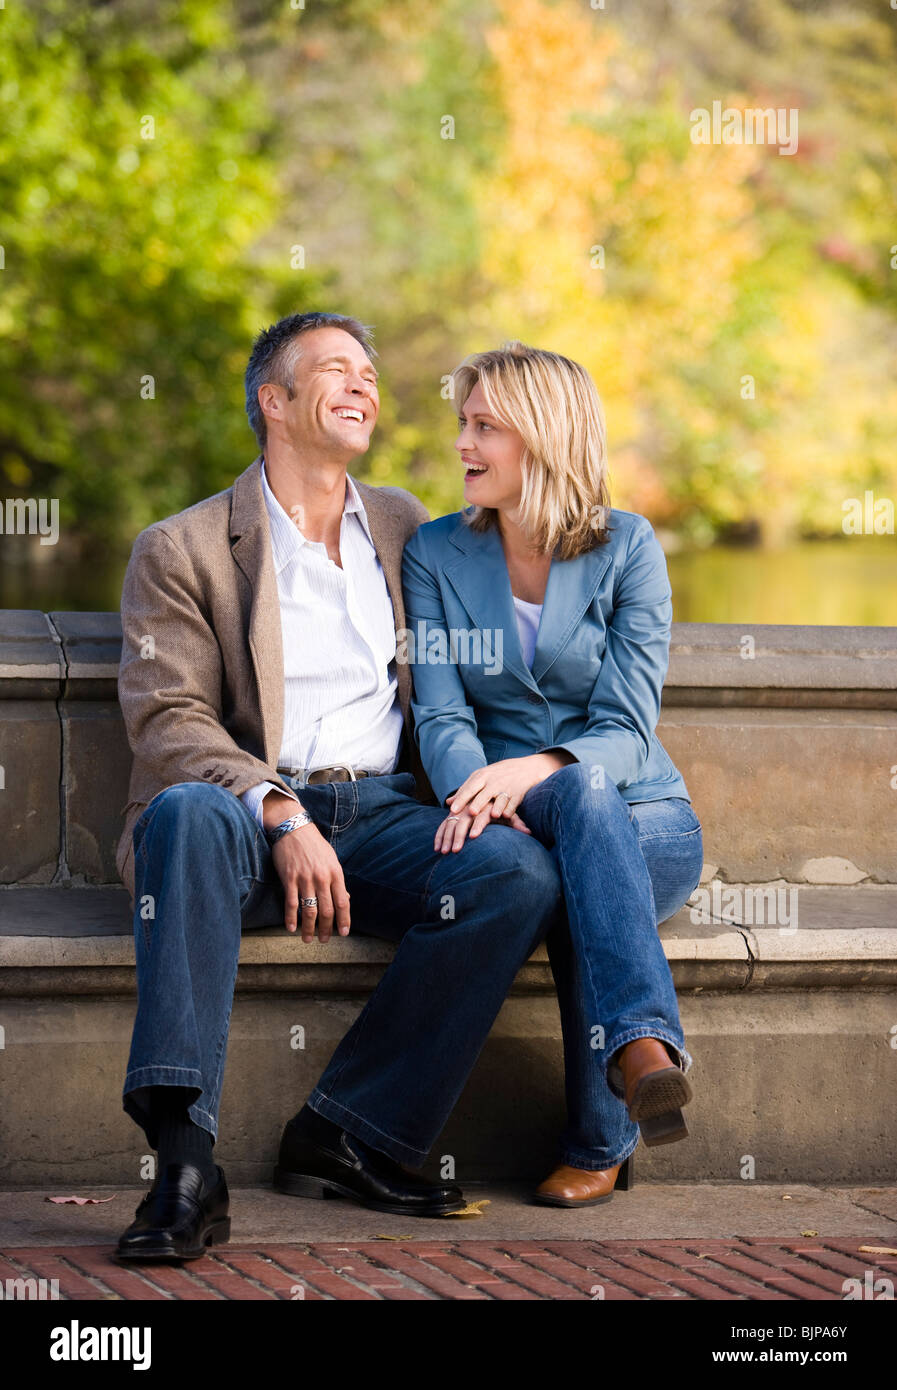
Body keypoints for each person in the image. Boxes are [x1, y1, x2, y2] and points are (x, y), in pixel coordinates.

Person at [112, 312, 566, 1262]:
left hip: (383, 818)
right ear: (272, 403)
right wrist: (277, 811)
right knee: (187, 811)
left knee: (515, 877)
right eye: (333, 370)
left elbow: (527, 587)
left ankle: (350, 1127)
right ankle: (185, 1162)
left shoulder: (408, 528)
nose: (363, 384)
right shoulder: (183, 548)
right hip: (242, 823)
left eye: (368, 370)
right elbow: (171, 723)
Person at [401, 341, 704, 1209]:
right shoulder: (432, 555)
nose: (462, 443)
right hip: (511, 816)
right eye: (463, 422)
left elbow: (626, 727)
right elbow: (443, 713)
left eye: (484, 426)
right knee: (577, 871)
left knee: (585, 809)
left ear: (541, 436)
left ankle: (615, 1108)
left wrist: (534, 772)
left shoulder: (627, 548)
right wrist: (478, 792)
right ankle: (636, 1063)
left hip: (645, 815)